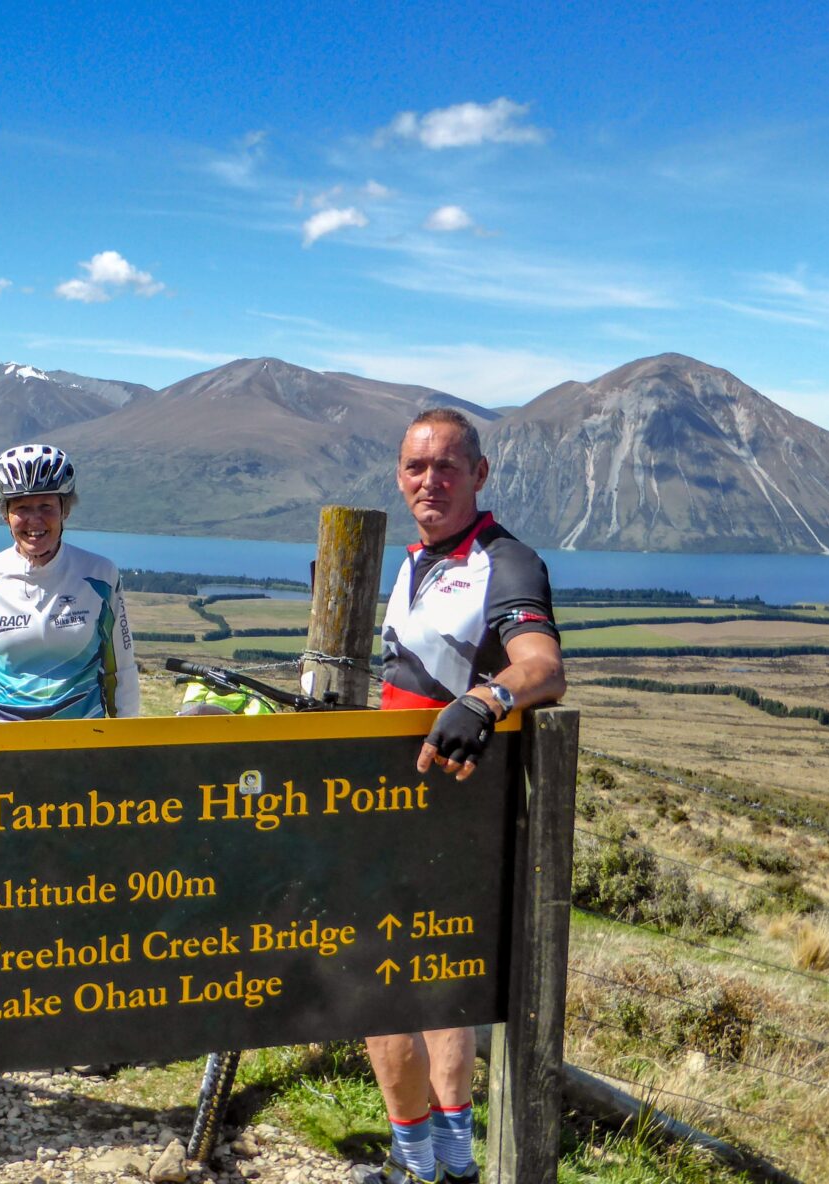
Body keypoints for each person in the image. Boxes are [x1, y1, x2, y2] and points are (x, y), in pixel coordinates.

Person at [353, 408, 565, 1184]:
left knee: (383, 991)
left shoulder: (503, 561)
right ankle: (450, 1166)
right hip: (399, 809)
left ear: (479, 475)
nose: (430, 480)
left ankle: (419, 1164)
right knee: (438, 992)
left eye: (448, 466)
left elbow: (541, 665)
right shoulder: (417, 561)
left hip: (452, 812)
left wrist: (484, 703)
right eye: (416, 466)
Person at [0, 444, 140, 723]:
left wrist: (128, 742)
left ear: (66, 510)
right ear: (5, 514)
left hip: (84, 740)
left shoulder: (100, 575)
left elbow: (120, 669)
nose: (34, 520)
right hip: (4, 741)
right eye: (22, 508)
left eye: (46, 507)